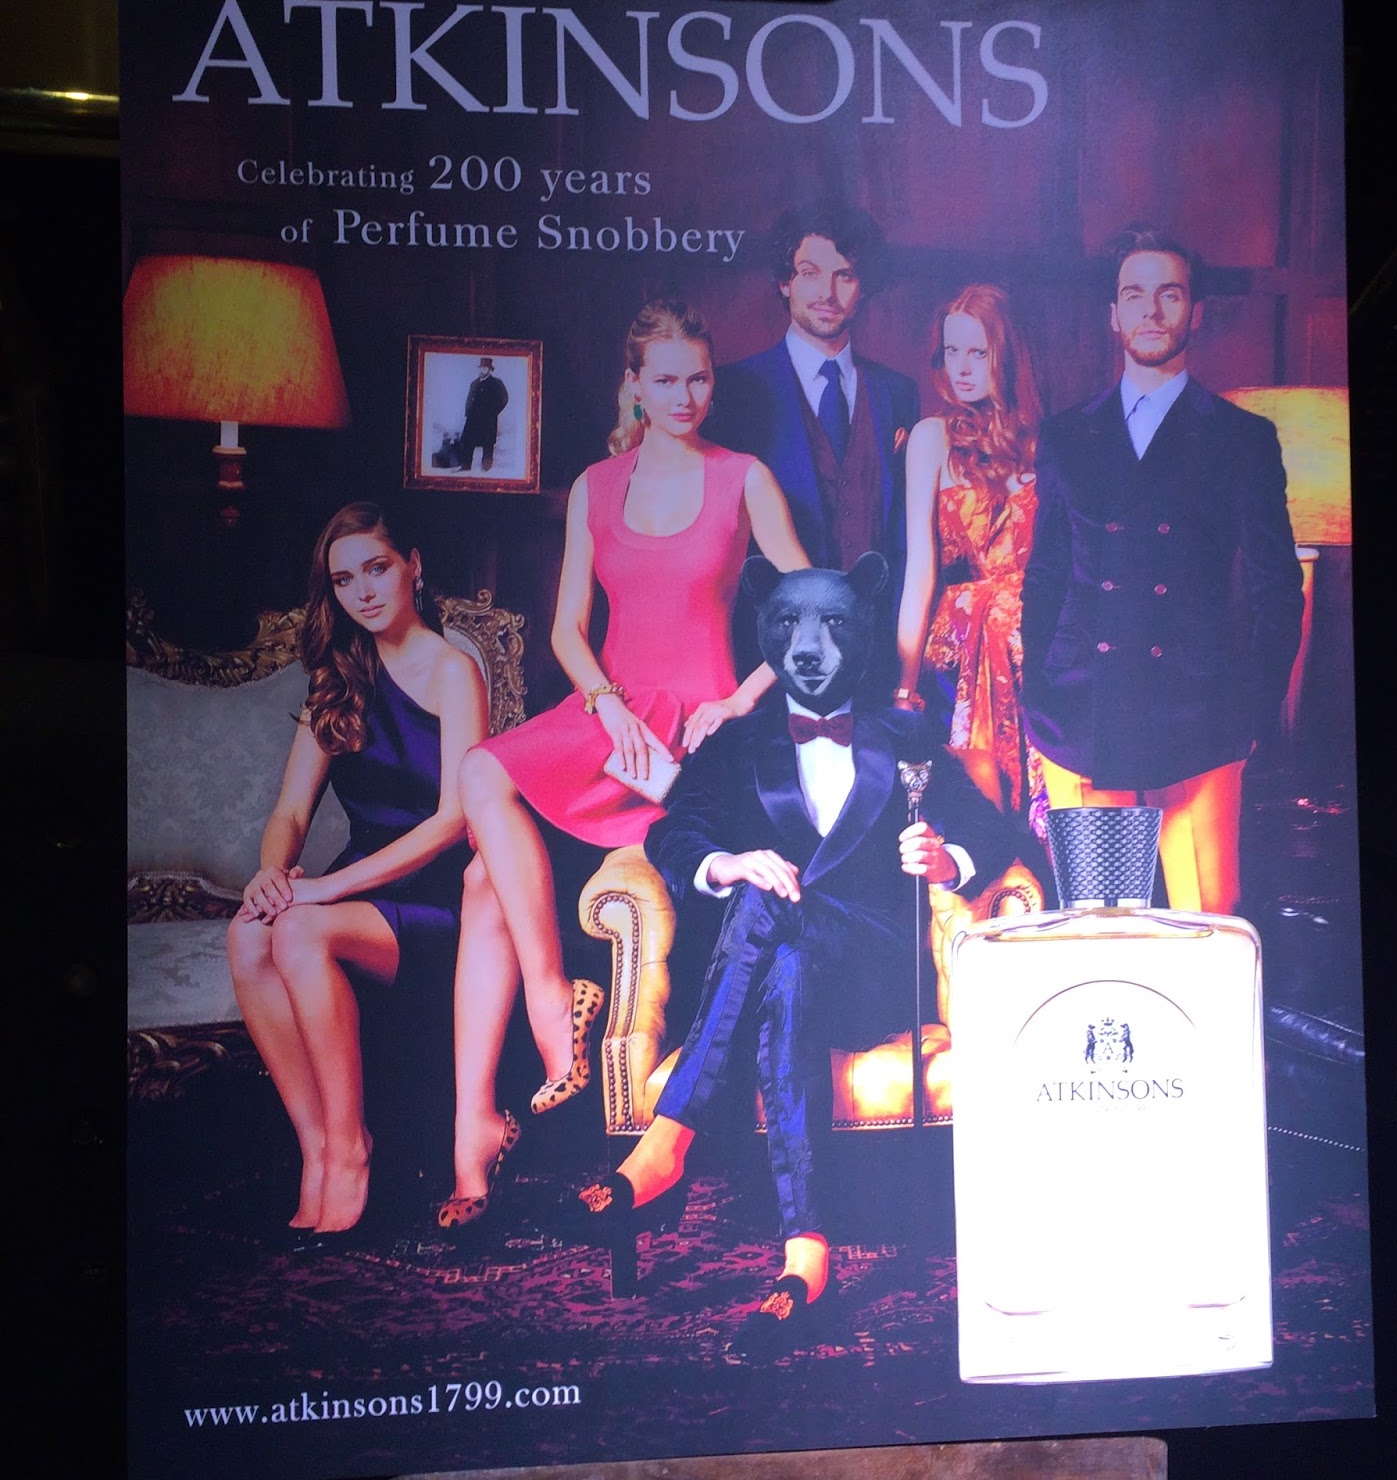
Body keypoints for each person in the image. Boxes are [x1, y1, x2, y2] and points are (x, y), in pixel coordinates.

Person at [564, 556, 1016, 1362]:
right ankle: (807, 1261)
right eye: (792, 623)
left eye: (833, 623)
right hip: (785, 975)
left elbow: (990, 828)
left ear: (863, 628)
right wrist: (729, 863)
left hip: (875, 974)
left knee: (770, 917)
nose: (810, 643)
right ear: (767, 630)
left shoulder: (906, 737)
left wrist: (948, 861)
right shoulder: (738, 742)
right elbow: (672, 833)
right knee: (782, 949)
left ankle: (667, 1144)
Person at [437, 299, 810, 1229]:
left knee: (483, 878)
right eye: (666, 379)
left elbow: (812, 611)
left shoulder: (744, 477)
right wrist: (604, 704)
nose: (686, 396)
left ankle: (481, 1132)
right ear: (634, 383)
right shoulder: (596, 486)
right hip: (610, 716)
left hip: (696, 733)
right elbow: (568, 629)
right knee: (482, 780)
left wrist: (737, 702)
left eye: (700, 378)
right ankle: (549, 1009)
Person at [1020, 227, 1305, 915]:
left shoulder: (1243, 438)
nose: (1150, 311)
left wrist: (1250, 712)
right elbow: (1045, 575)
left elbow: (1277, 590)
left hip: (1201, 718)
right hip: (1082, 712)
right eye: (1134, 295)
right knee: (1099, 924)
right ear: (1112, 315)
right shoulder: (1065, 435)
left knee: (1209, 928)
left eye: (1169, 295)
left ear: (1195, 312)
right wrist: (1039, 693)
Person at [226, 502, 488, 1236]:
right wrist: (272, 873)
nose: (364, 592)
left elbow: (453, 821)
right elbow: (291, 812)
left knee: (300, 931)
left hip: (435, 896)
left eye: (377, 569)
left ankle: (350, 1151)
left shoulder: (453, 671)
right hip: (356, 890)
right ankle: (318, 1149)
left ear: (413, 566)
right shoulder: (338, 674)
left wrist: (322, 889)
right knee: (248, 934)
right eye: (344, 580)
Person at [706, 201, 919, 700]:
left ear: (864, 286)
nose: (827, 292)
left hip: (877, 664)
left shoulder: (898, 394)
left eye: (846, 275)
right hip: (766, 665)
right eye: (809, 272)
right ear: (784, 281)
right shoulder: (734, 392)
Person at [895, 283, 1044, 818]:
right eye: (951, 350)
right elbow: (920, 569)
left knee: (1045, 802)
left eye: (977, 352)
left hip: (1035, 648)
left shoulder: (1046, 441)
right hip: (958, 653)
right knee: (972, 805)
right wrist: (903, 685)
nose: (960, 367)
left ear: (1007, 354)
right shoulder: (931, 437)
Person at [458, 356, 509, 472]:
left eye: (485, 368)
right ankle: (465, 466)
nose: (482, 370)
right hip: (473, 419)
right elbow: (469, 399)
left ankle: (486, 468)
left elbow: (504, 399)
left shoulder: (496, 383)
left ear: (490, 370)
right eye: (481, 368)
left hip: (488, 420)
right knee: (467, 442)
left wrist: (492, 412)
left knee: (488, 443)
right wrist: (468, 412)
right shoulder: (474, 383)